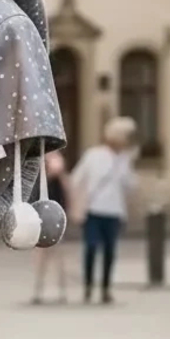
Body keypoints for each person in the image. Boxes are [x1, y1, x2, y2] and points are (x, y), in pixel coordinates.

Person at [72, 117, 137, 303]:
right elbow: (77, 178)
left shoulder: (124, 159)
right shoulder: (93, 155)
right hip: (93, 209)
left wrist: (128, 164)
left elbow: (130, 185)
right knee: (91, 248)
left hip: (114, 211)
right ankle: (88, 285)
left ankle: (106, 288)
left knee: (110, 251)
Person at [31, 149, 72, 303]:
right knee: (41, 259)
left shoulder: (58, 181)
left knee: (58, 259)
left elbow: (66, 197)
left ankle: (62, 291)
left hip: (56, 222)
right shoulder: (39, 179)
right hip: (40, 221)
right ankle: (38, 291)